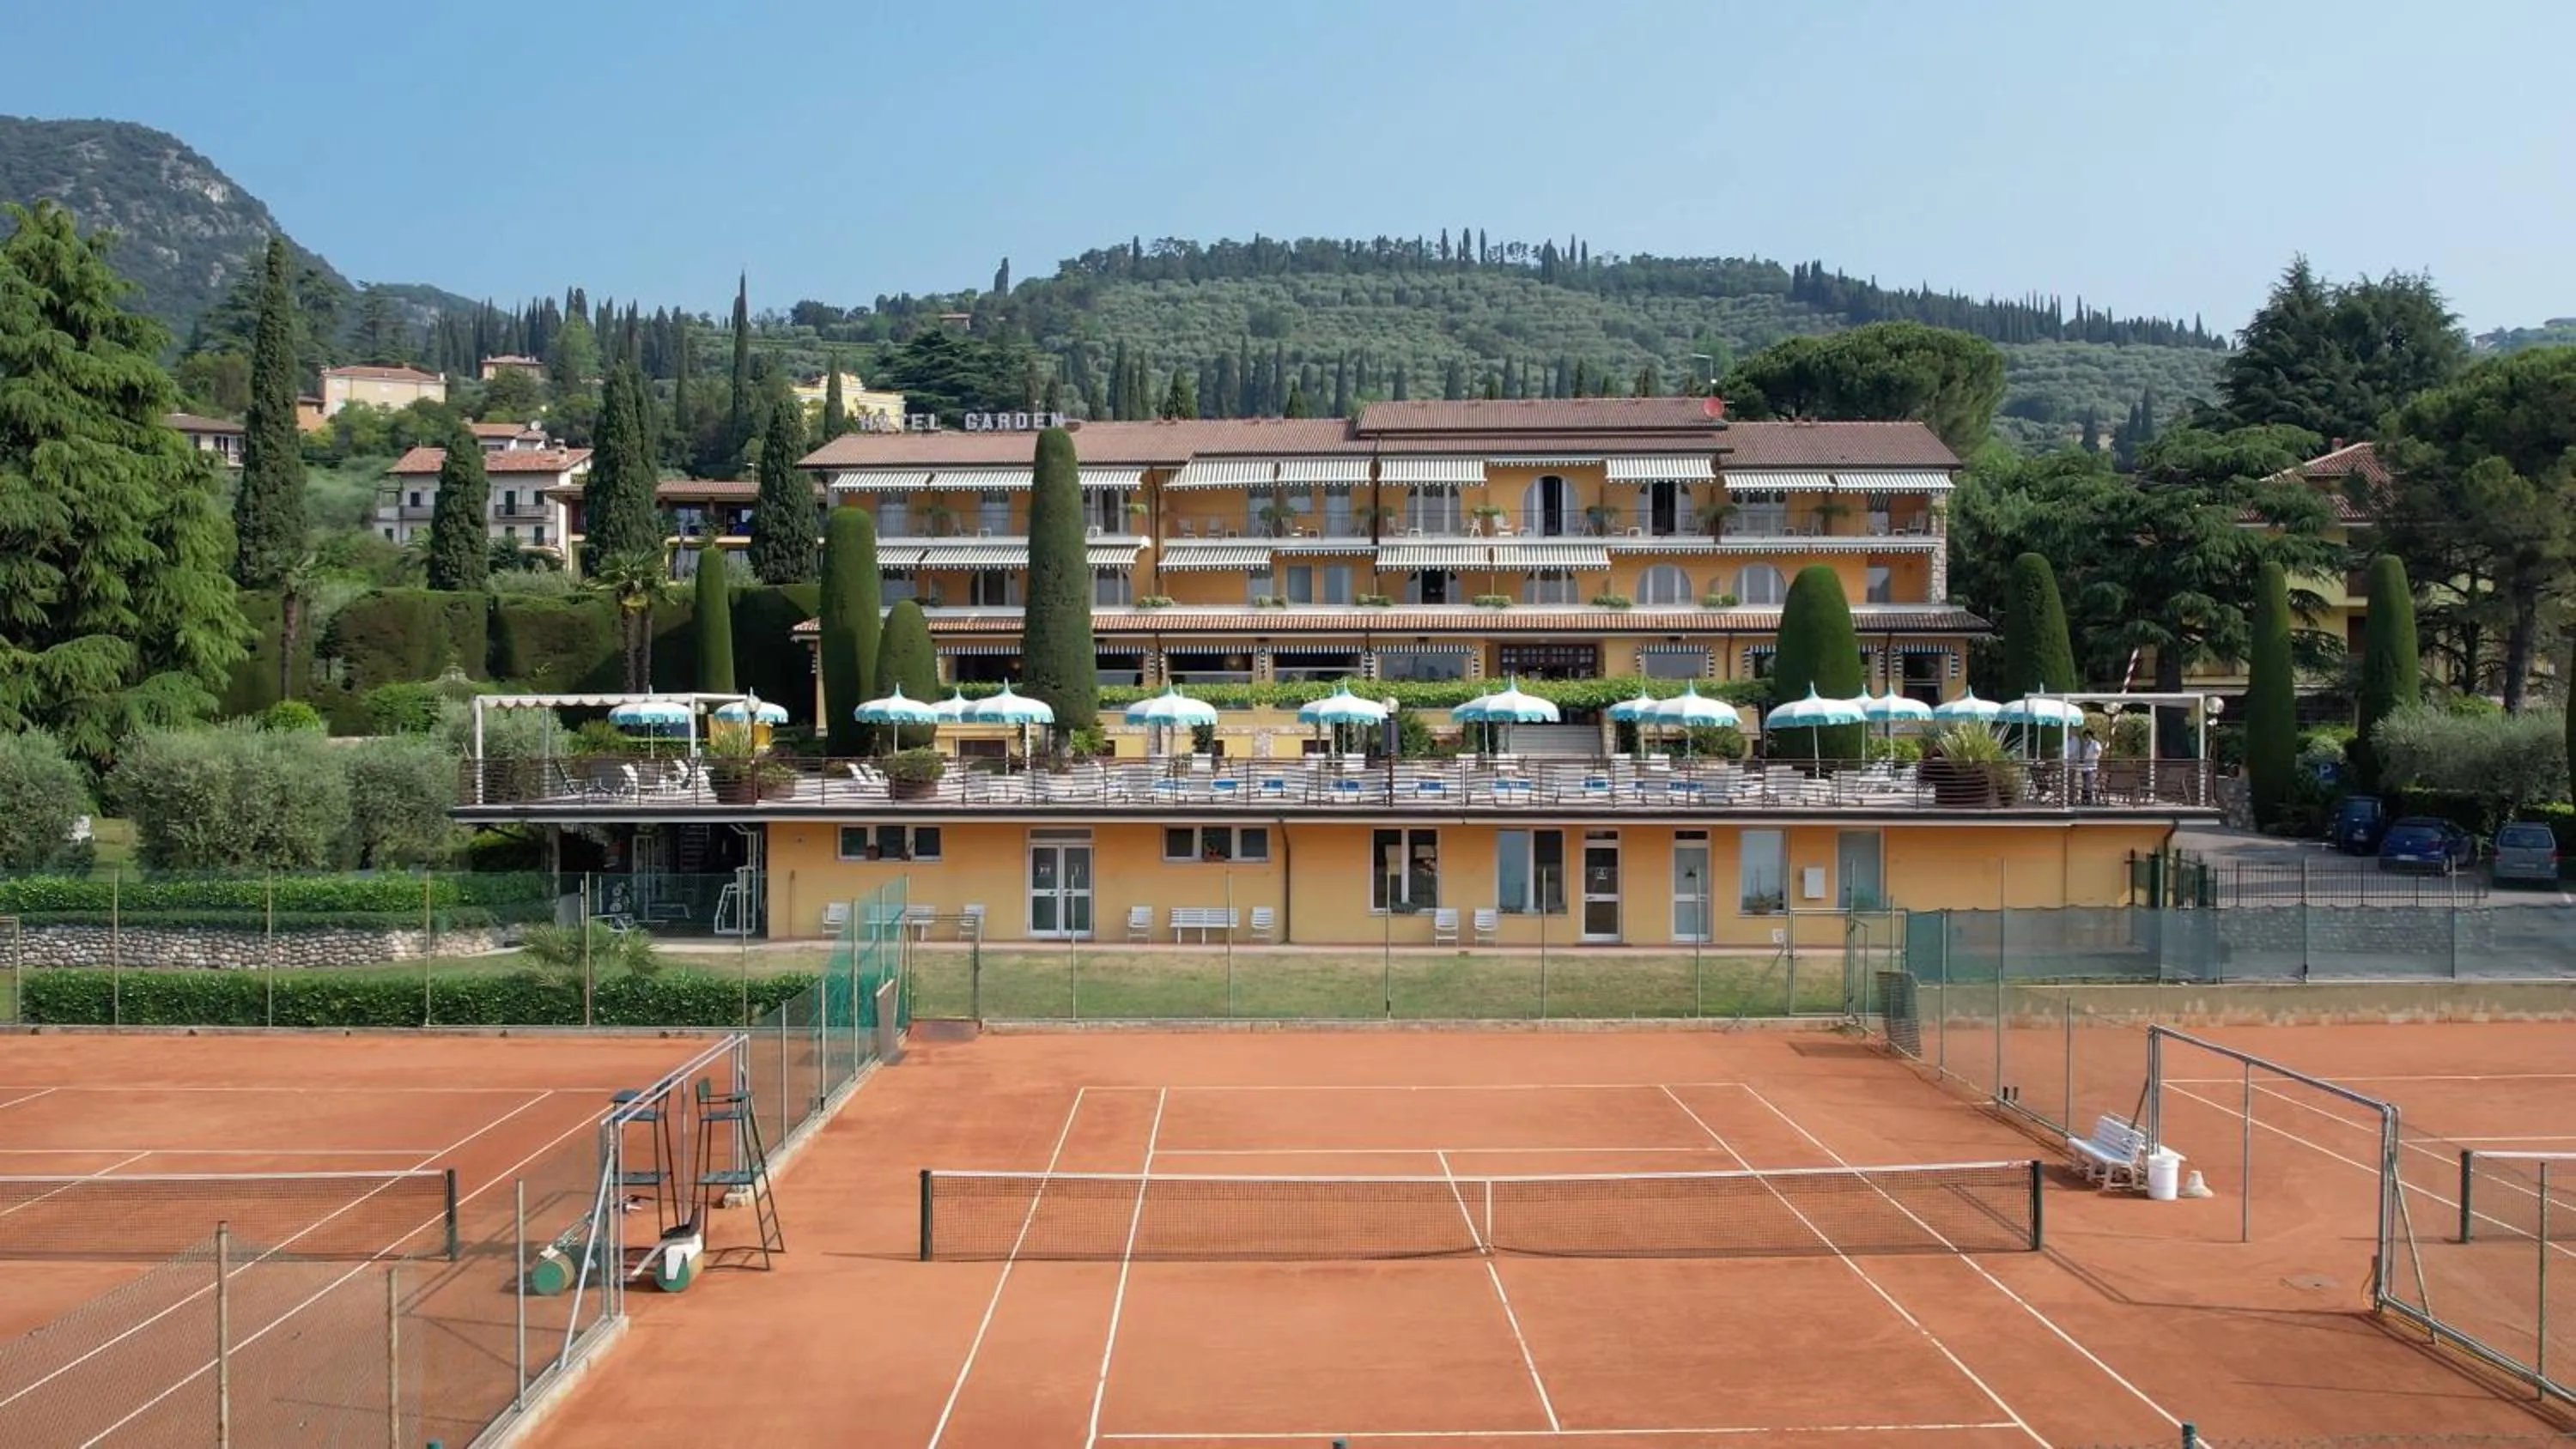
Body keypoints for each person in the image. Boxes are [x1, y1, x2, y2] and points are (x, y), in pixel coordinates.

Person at [2076, 727, 2104, 803]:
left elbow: (2099, 752)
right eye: (2085, 737)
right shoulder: (2084, 744)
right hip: (2084, 767)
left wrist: (2095, 758)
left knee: (2089, 784)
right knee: (2084, 784)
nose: (2087, 738)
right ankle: (2084, 799)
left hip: (2092, 767)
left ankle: (2088, 799)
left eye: (2088, 736)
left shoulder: (2095, 743)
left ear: (2091, 736)